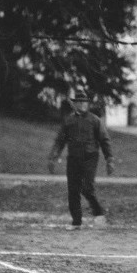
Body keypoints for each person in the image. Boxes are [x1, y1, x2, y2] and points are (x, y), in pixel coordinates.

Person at [48, 90, 115, 230]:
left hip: (90, 157)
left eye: (84, 102)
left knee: (87, 188)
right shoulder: (69, 120)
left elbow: (104, 140)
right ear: (74, 104)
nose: (81, 104)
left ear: (87, 104)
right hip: (73, 158)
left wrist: (109, 159)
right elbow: (60, 140)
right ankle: (76, 221)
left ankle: (99, 213)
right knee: (73, 190)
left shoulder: (94, 120)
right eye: (78, 102)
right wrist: (53, 157)